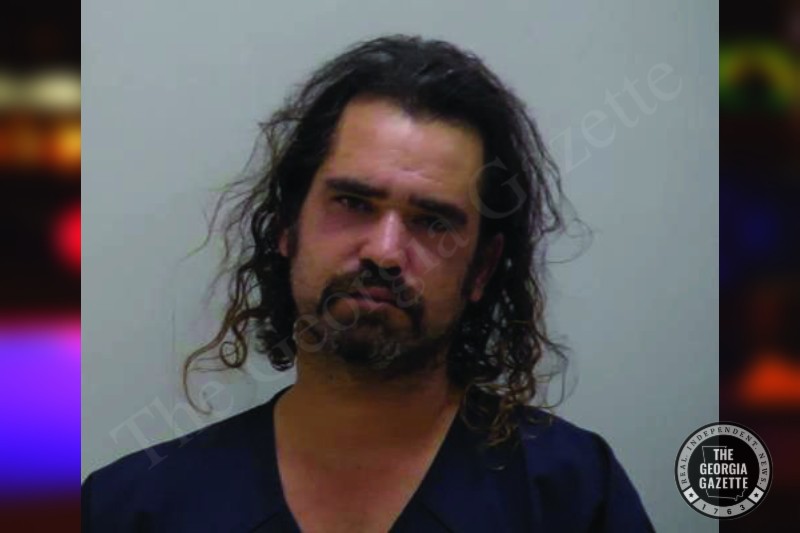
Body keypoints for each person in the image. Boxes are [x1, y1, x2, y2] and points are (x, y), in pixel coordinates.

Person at [82, 35, 654, 532]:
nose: (384, 250)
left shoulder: (573, 496)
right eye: (353, 203)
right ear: (286, 228)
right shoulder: (130, 509)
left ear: (481, 268)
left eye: (432, 221)